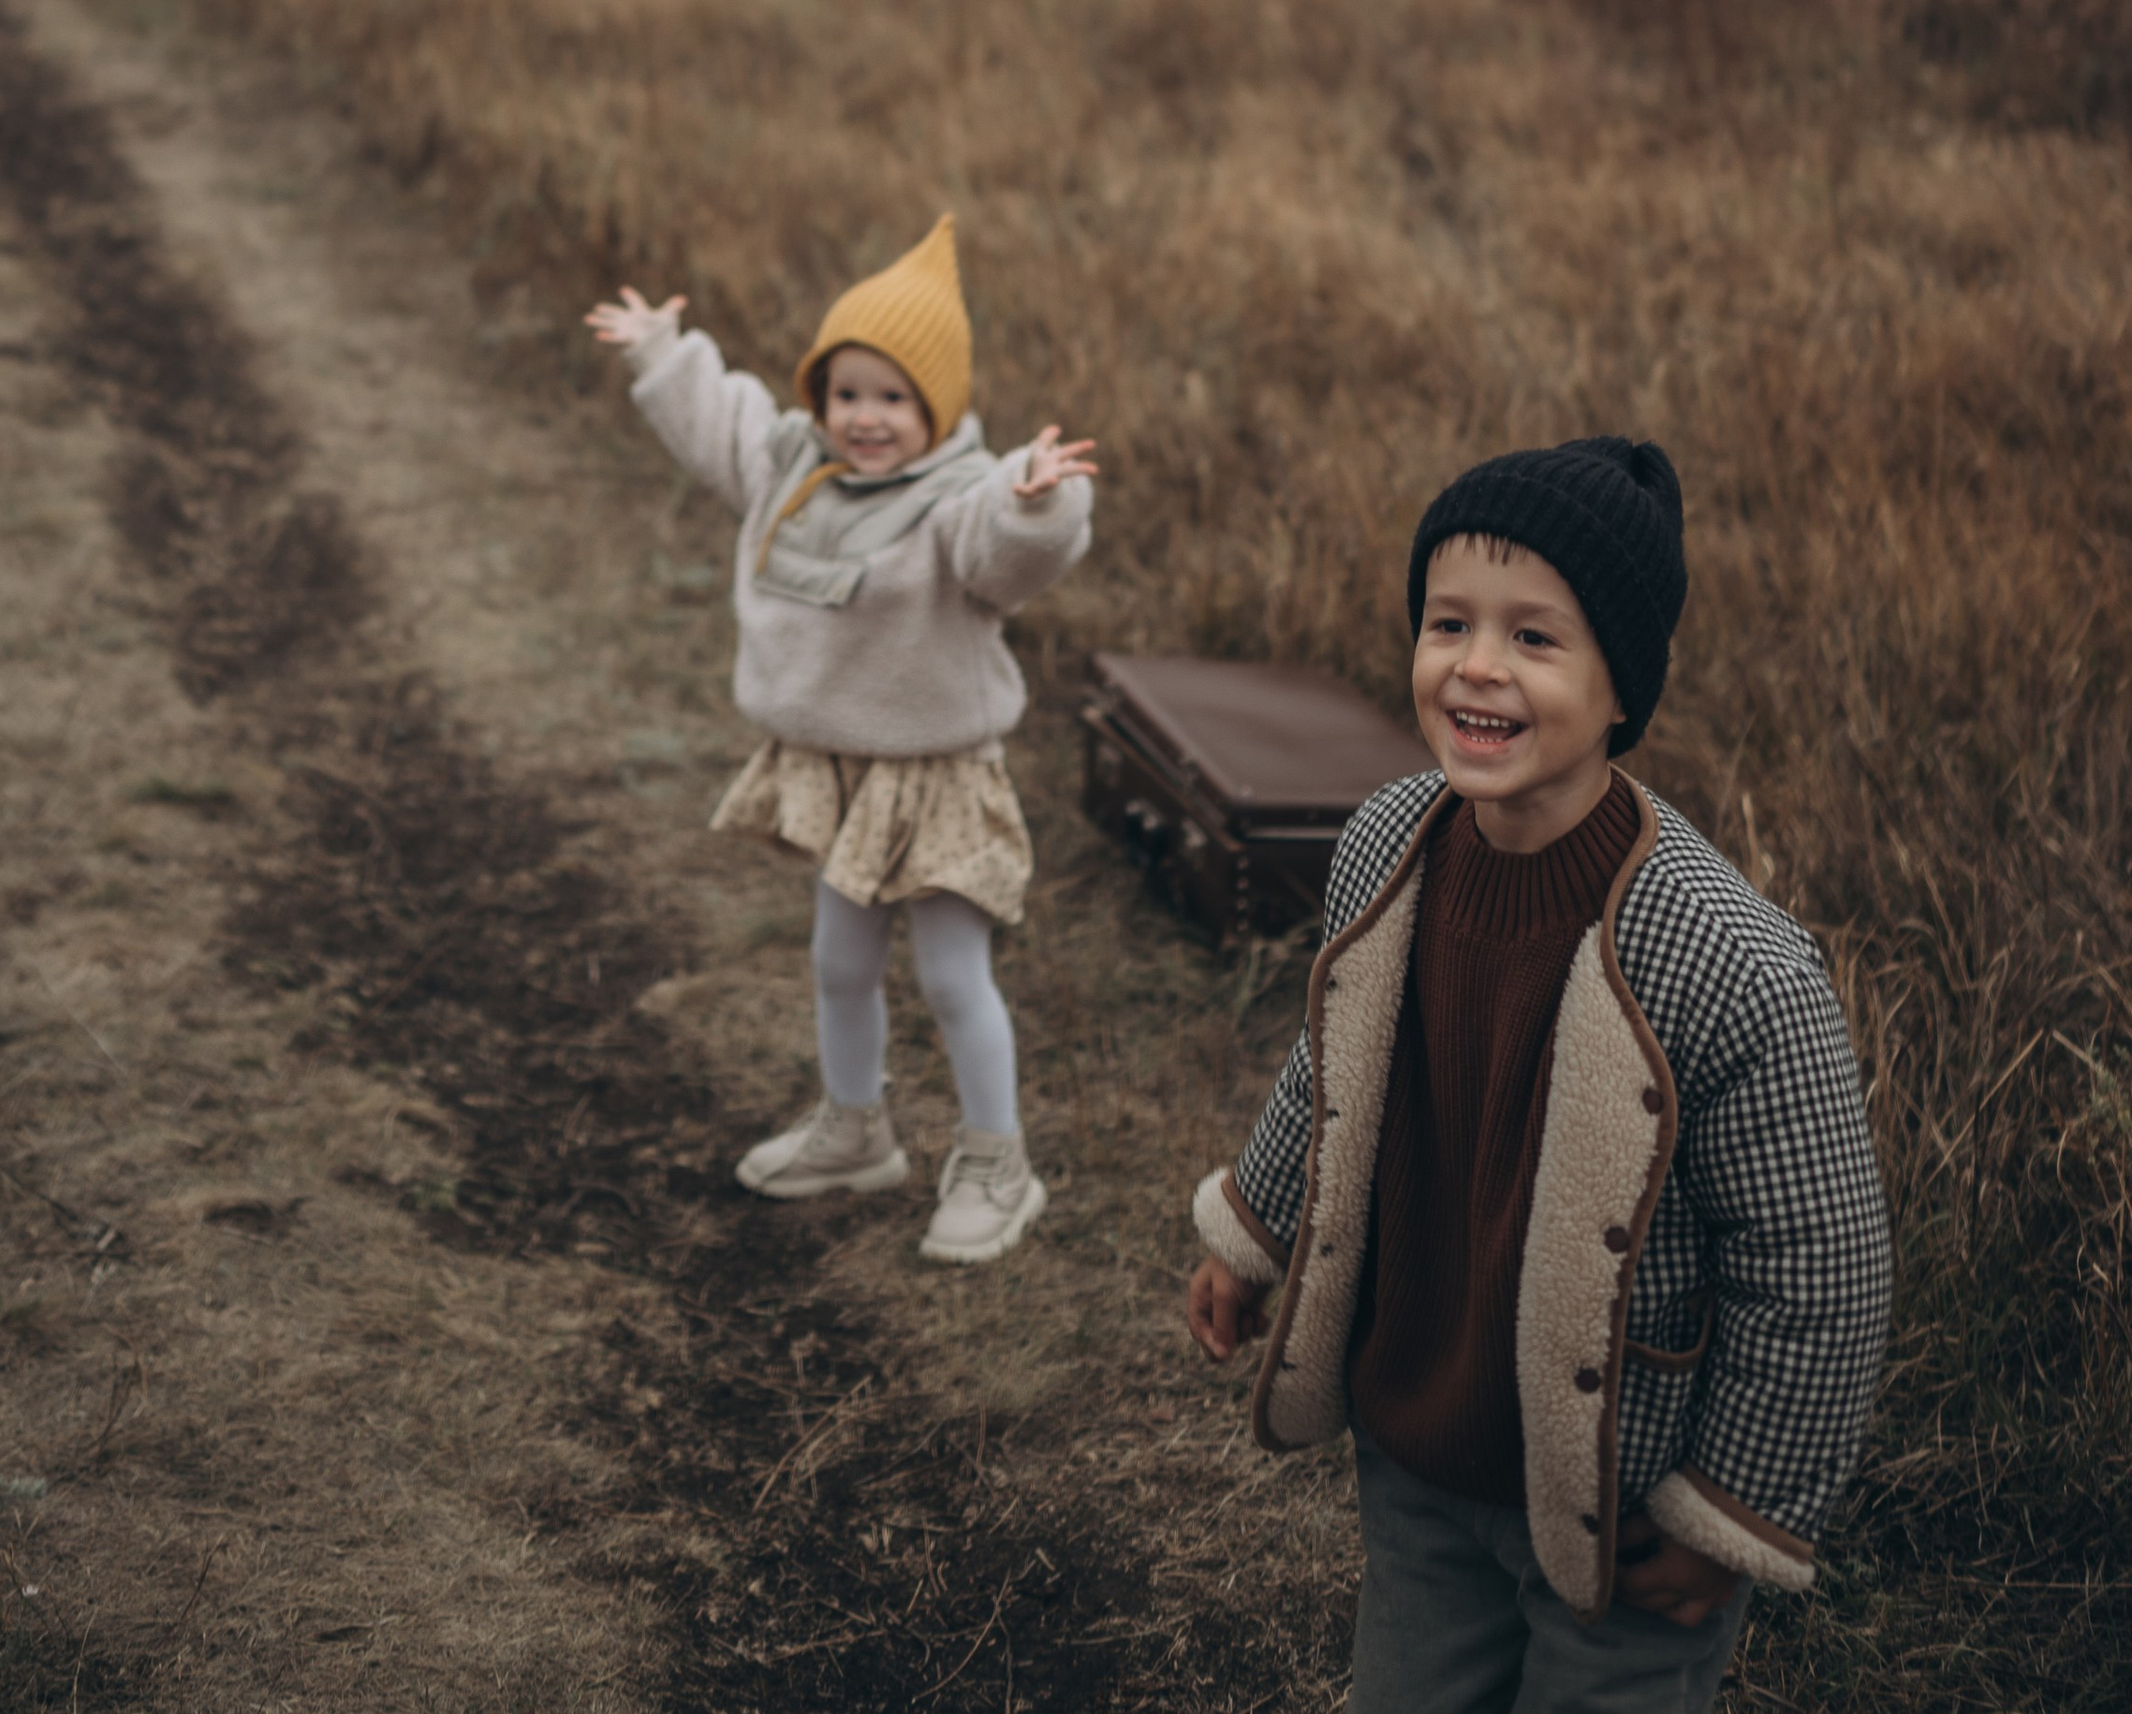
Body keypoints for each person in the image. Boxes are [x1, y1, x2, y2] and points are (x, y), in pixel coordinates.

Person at [1183, 435, 1890, 1714]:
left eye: (1536, 638)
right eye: (1448, 620)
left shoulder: (1728, 964)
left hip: (1617, 1498)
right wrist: (1251, 1228)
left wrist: (1726, 1511)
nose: (1478, 665)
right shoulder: (1391, 842)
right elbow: (1334, 1064)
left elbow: (1819, 1264)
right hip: (1422, 1444)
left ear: (1623, 687)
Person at [588, 214, 1094, 1266]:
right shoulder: (795, 467)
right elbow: (720, 422)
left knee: (953, 976)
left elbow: (1006, 553)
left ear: (937, 405)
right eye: (847, 391)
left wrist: (1035, 504)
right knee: (837, 962)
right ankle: (855, 1128)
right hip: (837, 766)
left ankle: (999, 1162)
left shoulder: (958, 499)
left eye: (894, 397)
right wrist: (662, 352)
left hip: (936, 773)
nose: (865, 418)